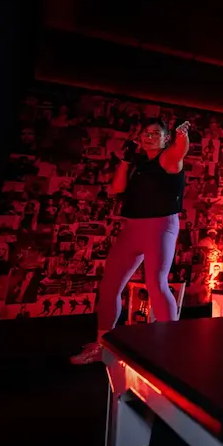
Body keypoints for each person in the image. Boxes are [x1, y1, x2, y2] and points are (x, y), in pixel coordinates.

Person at [71, 119, 190, 365]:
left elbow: (180, 150)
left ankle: (170, 350)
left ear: (165, 138)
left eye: (155, 133)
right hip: (132, 228)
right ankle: (103, 346)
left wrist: (182, 135)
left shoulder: (168, 158)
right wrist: (125, 161)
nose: (149, 137)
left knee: (156, 283)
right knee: (109, 286)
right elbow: (116, 189)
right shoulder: (138, 164)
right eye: (146, 133)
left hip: (160, 226)